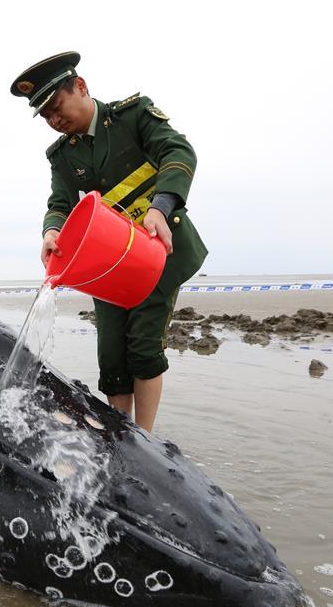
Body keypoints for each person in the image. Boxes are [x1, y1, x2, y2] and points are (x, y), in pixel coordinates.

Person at [11, 52, 207, 432]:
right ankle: (121, 437)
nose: (54, 120)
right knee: (113, 359)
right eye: (46, 116)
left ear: (80, 86)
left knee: (144, 349)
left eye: (57, 106)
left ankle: (146, 441)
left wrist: (160, 207)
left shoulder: (132, 117)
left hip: (156, 250)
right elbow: (60, 204)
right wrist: (51, 232)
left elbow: (178, 152)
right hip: (107, 263)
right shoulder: (63, 156)